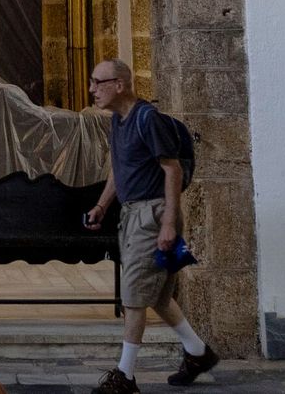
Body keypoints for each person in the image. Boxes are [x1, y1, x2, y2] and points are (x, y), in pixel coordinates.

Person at [83, 58, 217, 394]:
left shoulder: (148, 119)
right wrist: (102, 205)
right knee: (158, 295)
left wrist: (169, 223)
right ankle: (198, 353)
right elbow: (119, 167)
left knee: (133, 296)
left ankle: (125, 376)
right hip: (133, 216)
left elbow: (171, 171)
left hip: (155, 217)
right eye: (91, 82)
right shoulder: (117, 121)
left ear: (120, 84)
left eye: (98, 82)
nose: (92, 89)